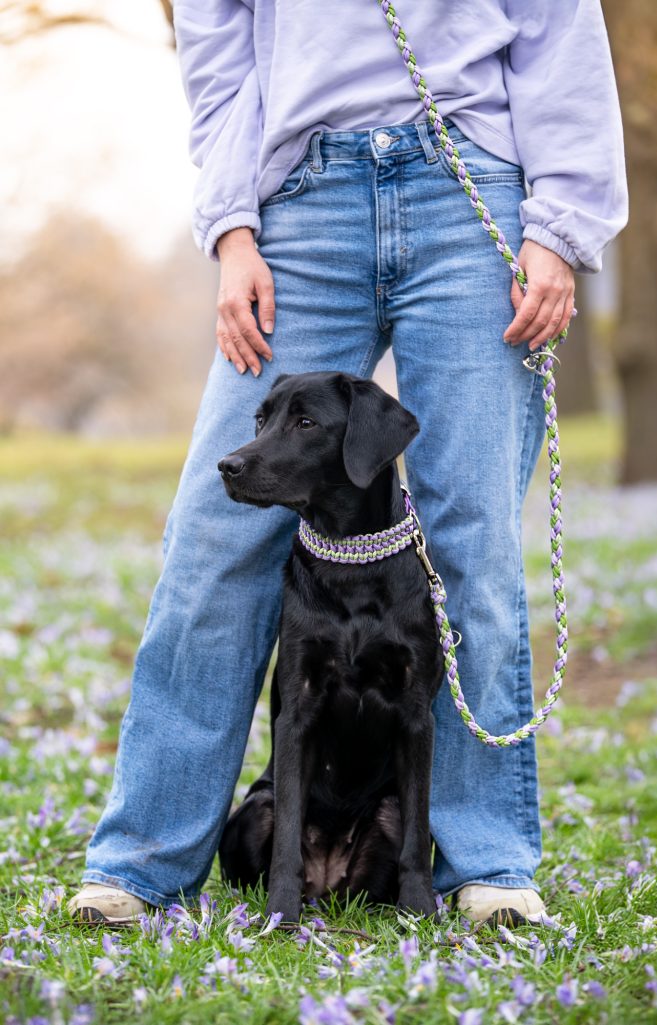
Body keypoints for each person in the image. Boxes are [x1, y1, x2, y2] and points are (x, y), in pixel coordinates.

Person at [69, 0, 627, 926]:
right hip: (301, 197)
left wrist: (559, 221)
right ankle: (142, 862)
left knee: (471, 544)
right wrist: (231, 227)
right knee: (214, 542)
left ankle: (486, 864)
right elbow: (216, 44)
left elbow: (557, 25)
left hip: (468, 181)